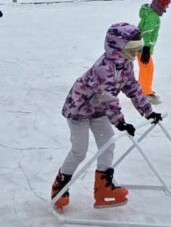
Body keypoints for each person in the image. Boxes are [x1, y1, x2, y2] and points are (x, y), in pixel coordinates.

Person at [51, 22, 163, 211]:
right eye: (132, 49)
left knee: (108, 144)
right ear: (118, 47)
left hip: (99, 111)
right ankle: (60, 185)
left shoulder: (125, 65)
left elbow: (133, 88)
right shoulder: (104, 68)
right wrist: (120, 122)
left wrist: (148, 112)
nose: (135, 54)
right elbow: (108, 97)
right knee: (80, 150)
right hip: (79, 109)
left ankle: (103, 188)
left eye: (138, 49)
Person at [137, 0, 170, 104]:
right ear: (161, 5)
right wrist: (146, 48)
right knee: (148, 69)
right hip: (143, 47)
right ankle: (145, 93)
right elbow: (146, 33)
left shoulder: (150, 13)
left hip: (141, 46)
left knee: (145, 69)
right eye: (166, 5)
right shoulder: (153, 17)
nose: (167, 7)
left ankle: (141, 90)